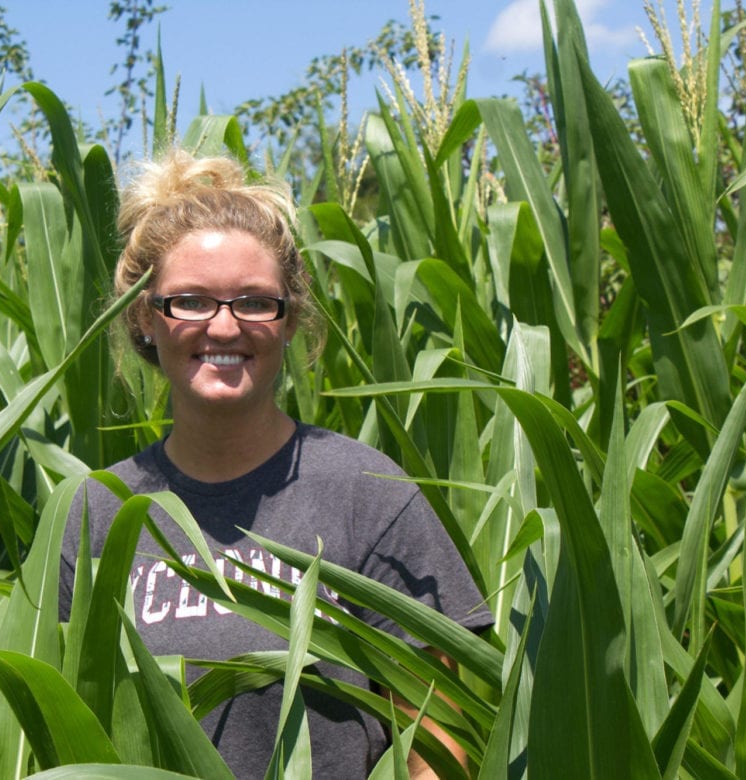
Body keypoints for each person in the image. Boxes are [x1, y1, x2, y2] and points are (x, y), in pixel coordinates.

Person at [59, 150, 491, 779]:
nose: (225, 327)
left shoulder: (365, 495)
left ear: (290, 322)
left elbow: (442, 738)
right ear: (145, 318)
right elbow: (72, 733)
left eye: (255, 302)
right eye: (191, 301)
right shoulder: (98, 514)